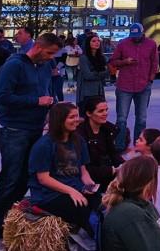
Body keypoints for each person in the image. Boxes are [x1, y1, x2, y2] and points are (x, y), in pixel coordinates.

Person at [0, 32, 62, 249]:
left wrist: (51, 108)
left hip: (35, 129)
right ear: (38, 47)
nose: (51, 58)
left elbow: (47, 90)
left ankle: (12, 225)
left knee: (26, 180)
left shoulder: (44, 66)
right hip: (14, 130)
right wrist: (36, 101)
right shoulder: (14, 65)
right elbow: (1, 96)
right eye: (49, 53)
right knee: (10, 181)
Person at [27, 101, 102, 240]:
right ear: (59, 120)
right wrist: (71, 191)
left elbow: (83, 171)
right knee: (83, 211)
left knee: (103, 205)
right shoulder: (44, 145)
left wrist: (90, 186)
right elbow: (43, 178)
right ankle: (98, 241)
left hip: (75, 188)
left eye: (77, 116)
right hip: (50, 195)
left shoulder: (79, 141)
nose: (77, 120)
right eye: (72, 117)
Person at [110, 22, 160, 150]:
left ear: (143, 33)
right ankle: (120, 146)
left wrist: (150, 79)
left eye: (138, 35)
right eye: (133, 36)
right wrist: (124, 61)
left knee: (141, 118)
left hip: (143, 85)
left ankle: (139, 145)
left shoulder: (151, 44)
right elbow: (113, 61)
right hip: (124, 85)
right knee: (121, 118)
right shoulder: (123, 43)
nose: (135, 38)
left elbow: (154, 62)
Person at [78, 95, 124, 190]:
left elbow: (113, 154)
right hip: (89, 177)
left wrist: (124, 166)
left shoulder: (108, 130)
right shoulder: (80, 134)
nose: (105, 113)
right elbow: (84, 166)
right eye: (100, 111)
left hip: (108, 171)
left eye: (106, 110)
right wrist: (112, 170)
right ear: (88, 113)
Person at [77, 34, 110, 115]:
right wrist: (105, 73)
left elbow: (108, 73)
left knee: (99, 114)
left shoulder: (101, 58)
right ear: (88, 43)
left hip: (99, 90)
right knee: (87, 115)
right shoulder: (83, 58)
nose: (97, 43)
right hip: (87, 91)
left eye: (98, 41)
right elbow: (88, 76)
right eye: (93, 41)